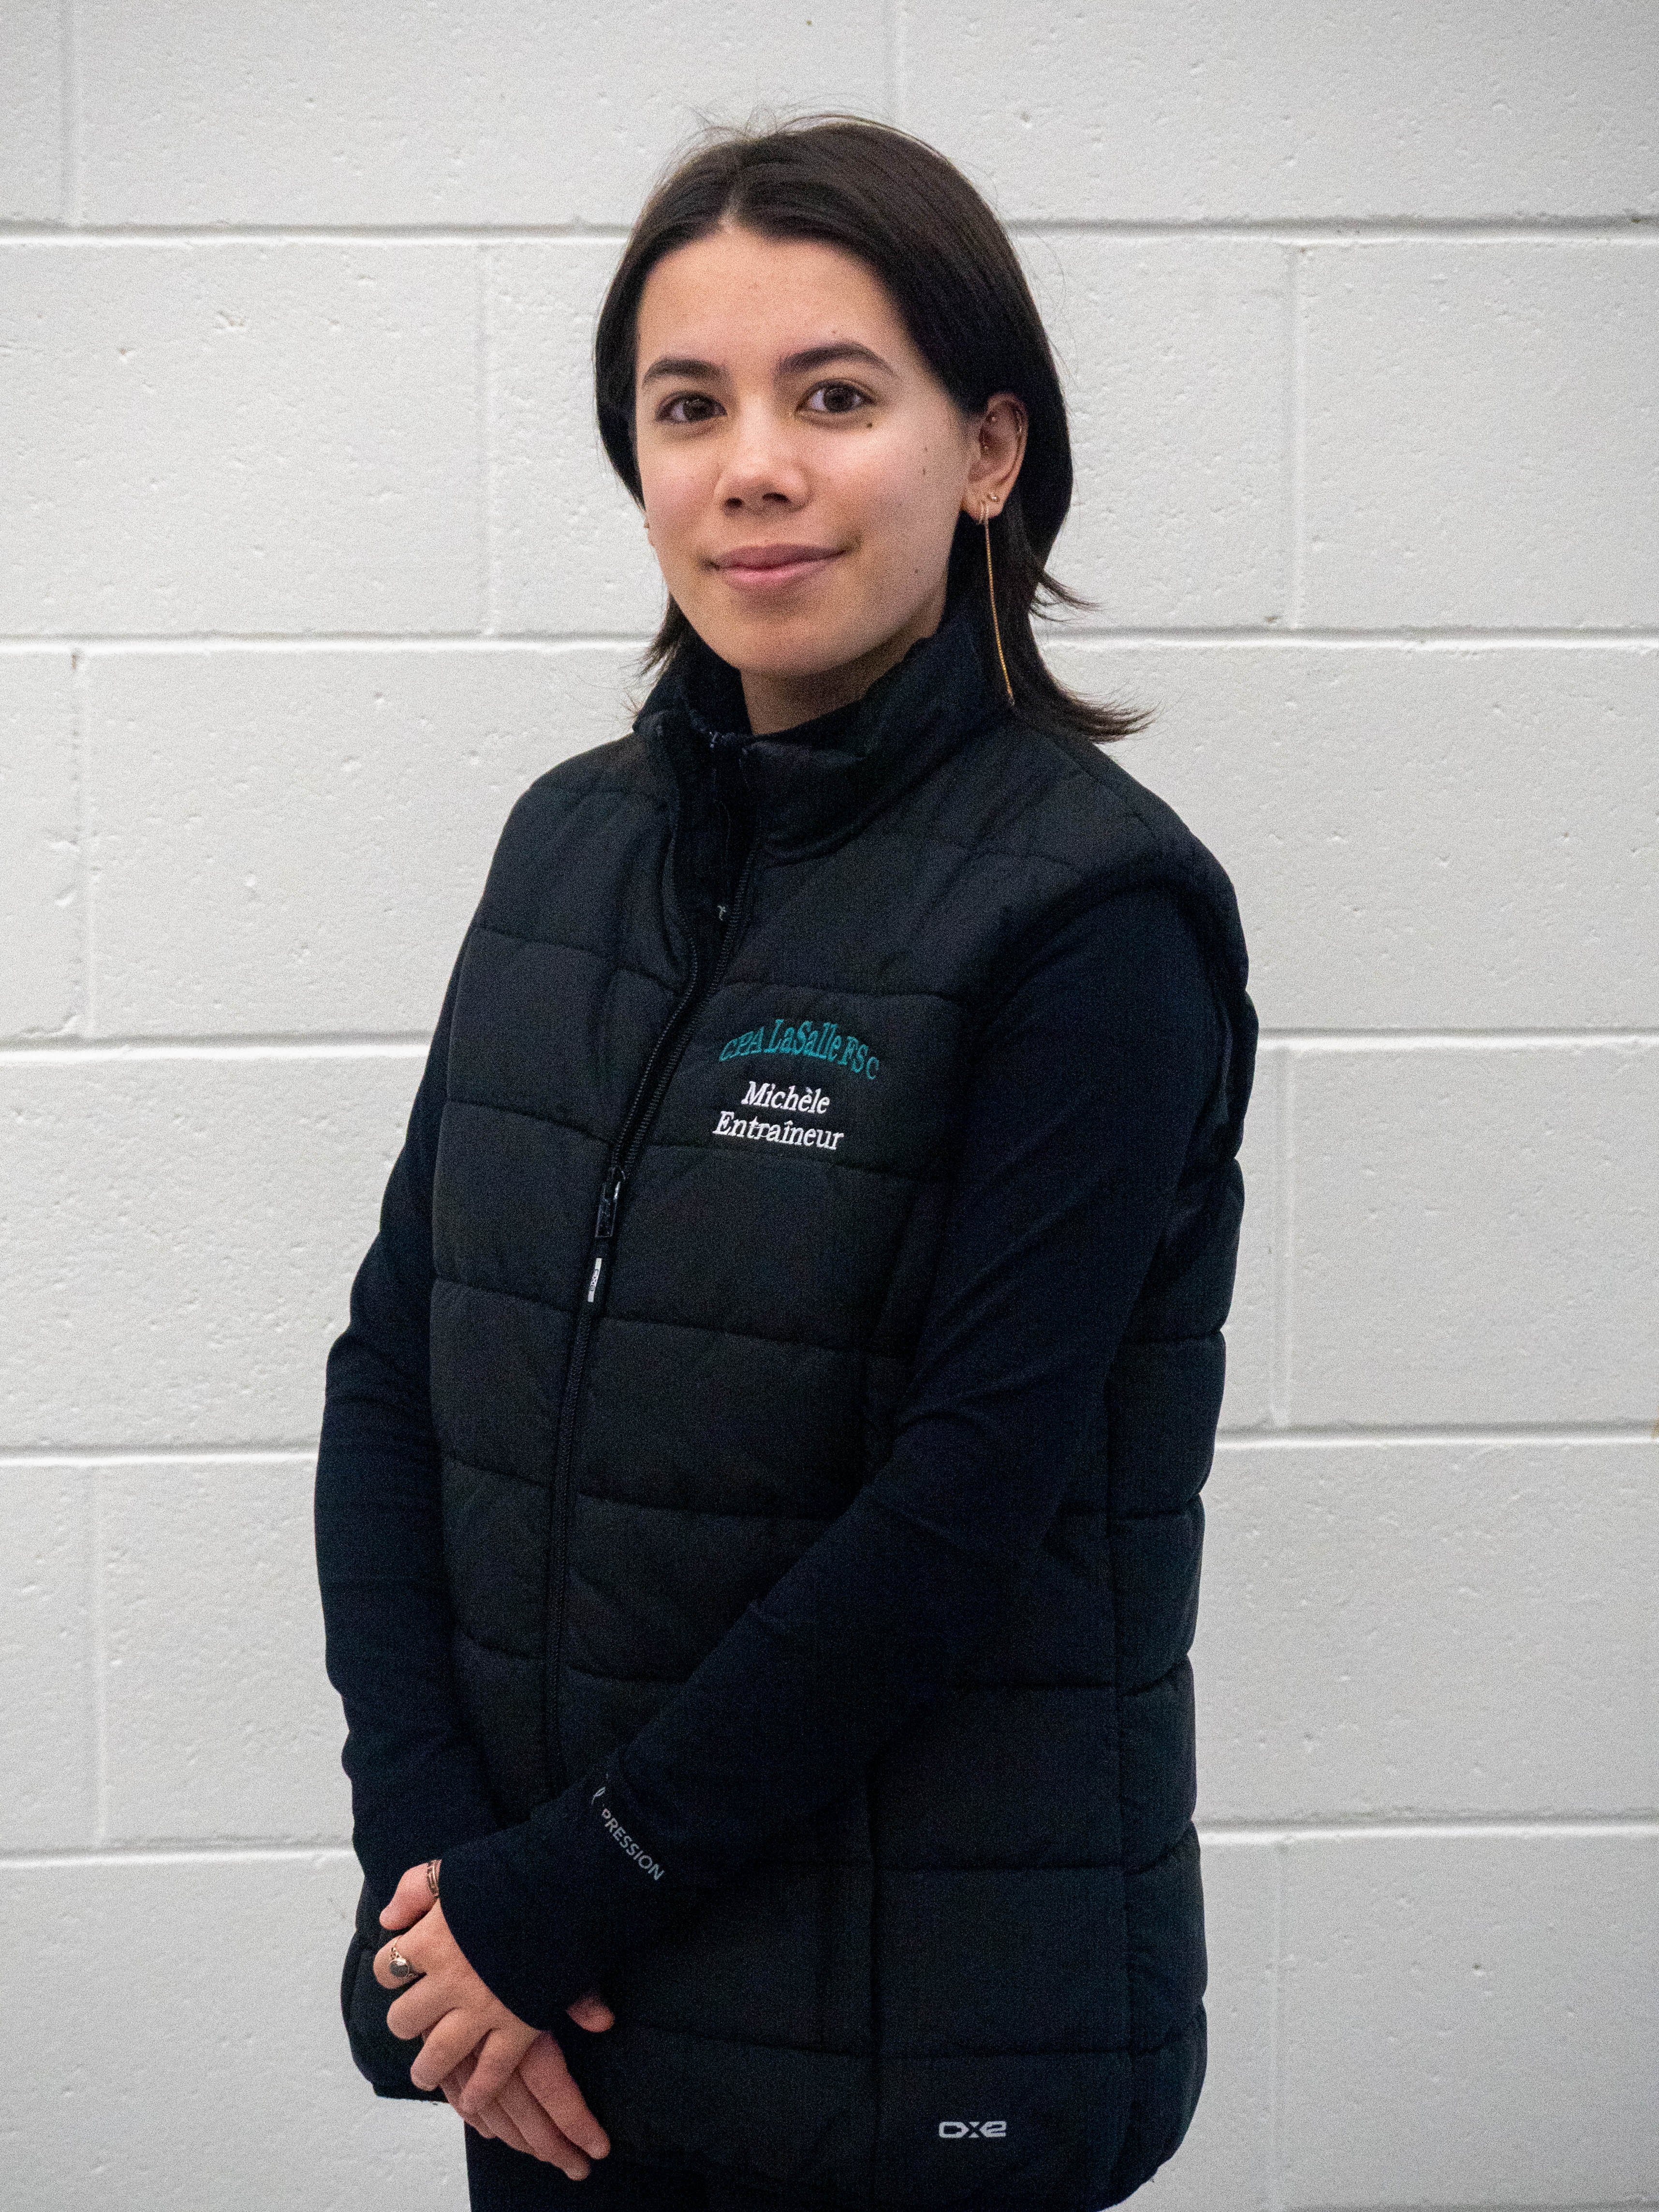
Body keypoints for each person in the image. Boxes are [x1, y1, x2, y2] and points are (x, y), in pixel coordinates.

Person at [315, 114, 1258, 2212]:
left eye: (834, 397)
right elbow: (395, 1373)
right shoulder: (567, 847)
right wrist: (438, 1882)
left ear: (989, 450)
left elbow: (962, 1512)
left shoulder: (1091, 917)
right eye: (688, 407)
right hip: (558, 2029)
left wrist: (562, 1889)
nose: (751, 467)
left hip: (912, 2057)